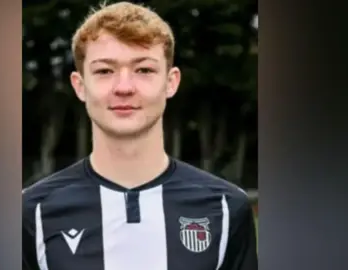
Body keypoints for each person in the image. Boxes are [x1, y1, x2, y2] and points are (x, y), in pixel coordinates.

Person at [22, 2, 258, 270]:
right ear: (79, 85)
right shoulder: (32, 213)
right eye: (104, 71)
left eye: (144, 70)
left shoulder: (226, 208)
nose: (124, 87)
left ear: (171, 82)